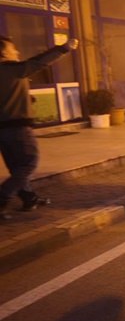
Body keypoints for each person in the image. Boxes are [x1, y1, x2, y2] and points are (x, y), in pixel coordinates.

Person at [0, 36, 78, 220]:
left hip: (2, 130)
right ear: (3, 52)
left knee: (17, 167)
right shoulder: (12, 69)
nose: (17, 52)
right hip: (17, 128)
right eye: (13, 49)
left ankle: (29, 198)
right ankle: (2, 198)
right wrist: (63, 48)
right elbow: (38, 62)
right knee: (28, 164)